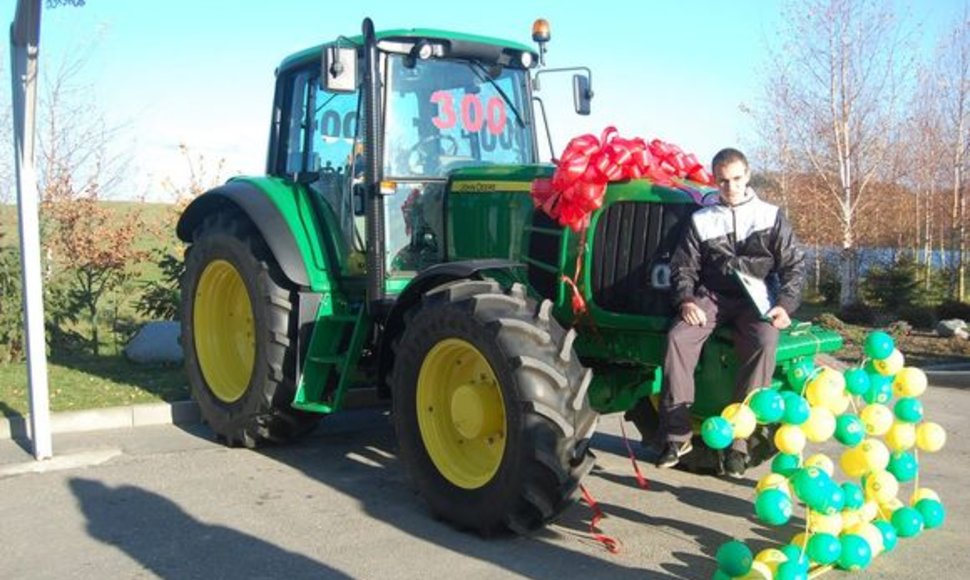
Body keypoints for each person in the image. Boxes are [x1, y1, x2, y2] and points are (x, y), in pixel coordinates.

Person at [654, 148, 805, 477]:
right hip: (713, 297)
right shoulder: (701, 220)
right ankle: (676, 437)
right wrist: (686, 301)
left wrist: (784, 306)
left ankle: (739, 444)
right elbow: (683, 269)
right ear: (714, 181)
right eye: (723, 181)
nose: (731, 187)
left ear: (748, 176)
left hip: (757, 298)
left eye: (737, 179)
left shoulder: (771, 216)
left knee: (765, 341)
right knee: (679, 337)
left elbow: (794, 266)